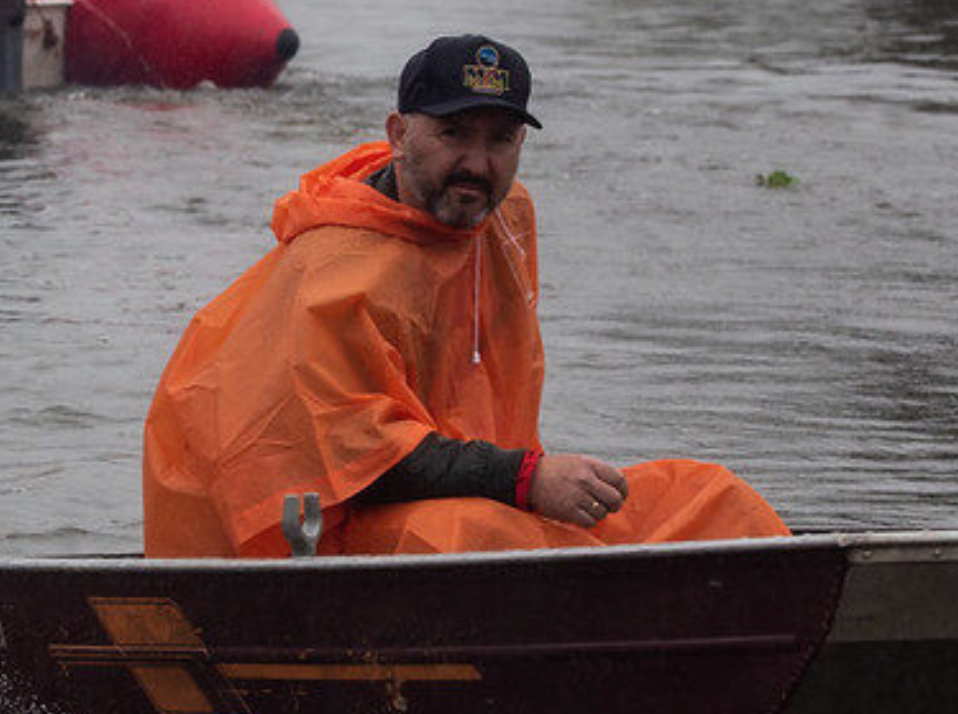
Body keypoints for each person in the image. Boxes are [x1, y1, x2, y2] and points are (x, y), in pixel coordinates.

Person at [143, 35, 790, 558]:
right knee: (473, 535)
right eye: (454, 134)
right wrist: (524, 478)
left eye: (500, 140)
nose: (478, 165)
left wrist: (523, 479)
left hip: (480, 488)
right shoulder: (333, 275)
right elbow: (357, 463)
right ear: (399, 135)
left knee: (713, 497)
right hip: (314, 532)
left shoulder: (506, 216)